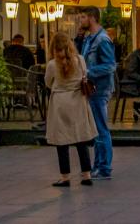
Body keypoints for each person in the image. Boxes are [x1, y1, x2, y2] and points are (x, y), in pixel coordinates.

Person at [43, 31, 95, 188]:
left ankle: (65, 177)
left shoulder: (52, 64)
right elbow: (84, 76)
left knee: (62, 141)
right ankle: (86, 175)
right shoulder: (80, 60)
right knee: (81, 139)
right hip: (78, 101)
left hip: (60, 103)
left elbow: (47, 82)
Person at [75, 7, 116, 181]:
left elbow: (110, 65)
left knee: (100, 128)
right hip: (92, 89)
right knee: (96, 129)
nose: (80, 21)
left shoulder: (102, 40)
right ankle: (98, 166)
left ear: (92, 18)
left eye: (82, 17)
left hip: (99, 89)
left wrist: (87, 72)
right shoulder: (88, 38)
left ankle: (104, 168)